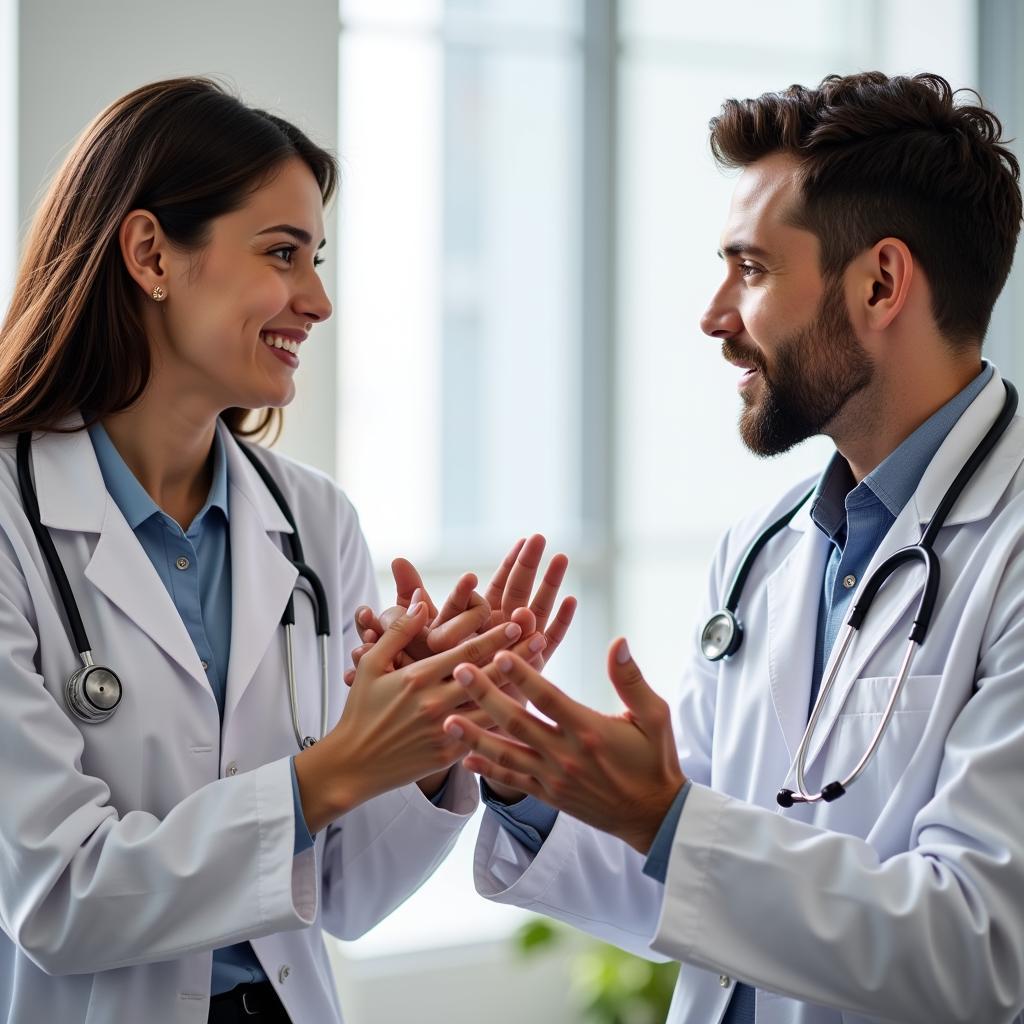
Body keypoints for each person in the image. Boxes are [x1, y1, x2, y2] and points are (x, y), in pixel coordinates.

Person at [435, 72, 1024, 1023]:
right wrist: (532, 775)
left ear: (881, 283)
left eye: (751, 270)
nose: (715, 315)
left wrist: (664, 817)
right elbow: (702, 890)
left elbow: (982, 951)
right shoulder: (767, 549)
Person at [0, 77, 573, 1024]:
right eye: (283, 254)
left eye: (317, 260)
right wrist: (337, 768)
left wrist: (431, 743)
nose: (317, 299)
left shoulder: (314, 522)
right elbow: (59, 897)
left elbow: (343, 892)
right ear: (150, 253)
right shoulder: (15, 520)